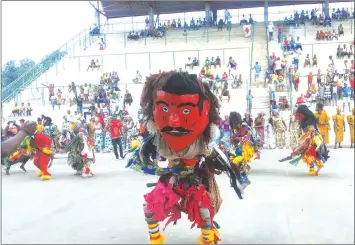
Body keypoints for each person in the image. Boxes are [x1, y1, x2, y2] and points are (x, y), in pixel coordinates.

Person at [127, 72, 244, 244]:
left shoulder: (201, 143)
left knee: (204, 210)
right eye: (165, 109)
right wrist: (151, 165)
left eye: (186, 111)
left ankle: (208, 238)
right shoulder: (159, 140)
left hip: (194, 179)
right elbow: (142, 158)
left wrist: (231, 164)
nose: (174, 121)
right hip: (171, 178)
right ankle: (155, 239)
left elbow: (217, 156)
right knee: (150, 209)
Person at [279, 105, 329, 176]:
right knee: (307, 153)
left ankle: (313, 168)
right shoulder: (307, 118)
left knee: (309, 152)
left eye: (299, 113)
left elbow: (310, 129)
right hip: (309, 136)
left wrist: (305, 140)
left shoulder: (308, 119)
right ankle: (316, 166)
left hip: (311, 137)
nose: (298, 115)